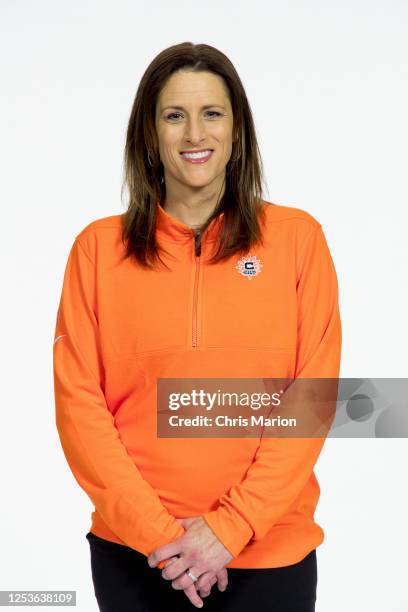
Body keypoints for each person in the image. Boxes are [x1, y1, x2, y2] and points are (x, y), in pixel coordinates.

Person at [53, 41, 342, 612]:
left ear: (237, 132)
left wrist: (229, 529)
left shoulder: (297, 241)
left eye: (212, 113)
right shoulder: (95, 251)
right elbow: (79, 409)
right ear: (149, 135)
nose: (194, 134)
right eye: (173, 115)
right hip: (135, 560)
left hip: (270, 556)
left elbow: (312, 400)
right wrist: (161, 537)